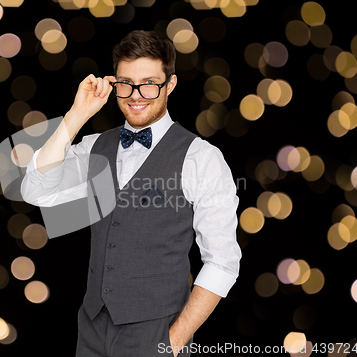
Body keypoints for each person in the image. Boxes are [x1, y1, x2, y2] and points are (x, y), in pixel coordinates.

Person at [21, 30, 241, 357]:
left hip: (157, 333)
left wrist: (176, 338)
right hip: (92, 329)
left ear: (170, 84)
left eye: (150, 83)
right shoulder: (95, 147)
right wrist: (76, 116)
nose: (136, 94)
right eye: (125, 83)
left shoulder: (201, 158)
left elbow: (223, 263)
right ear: (114, 84)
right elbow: (36, 190)